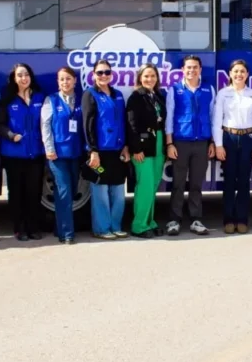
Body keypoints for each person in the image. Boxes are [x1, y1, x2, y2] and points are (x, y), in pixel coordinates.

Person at [0, 63, 47, 241]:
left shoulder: (40, 97)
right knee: (16, 194)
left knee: (34, 193)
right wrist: (11, 135)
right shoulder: (7, 100)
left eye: (26, 74)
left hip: (36, 154)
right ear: (14, 79)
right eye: (19, 75)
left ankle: (33, 227)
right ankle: (19, 228)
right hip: (14, 154)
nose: (23, 78)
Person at [164, 55, 215, 236]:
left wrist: (213, 142)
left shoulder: (209, 89)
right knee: (178, 183)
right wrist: (169, 143)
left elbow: (213, 117)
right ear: (183, 70)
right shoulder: (175, 90)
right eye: (188, 67)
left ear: (200, 69)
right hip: (180, 143)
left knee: (196, 184)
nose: (192, 70)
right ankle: (174, 220)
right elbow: (169, 118)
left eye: (195, 67)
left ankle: (196, 219)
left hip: (202, 143)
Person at [213, 59, 252, 234]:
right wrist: (218, 145)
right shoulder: (223, 94)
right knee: (229, 181)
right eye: (235, 71)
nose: (239, 74)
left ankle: (242, 219)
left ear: (247, 74)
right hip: (229, 138)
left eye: (242, 71)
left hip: (249, 138)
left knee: (243, 182)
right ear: (230, 74)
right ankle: (228, 219)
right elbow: (217, 121)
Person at [82, 59, 130, 240]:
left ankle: (116, 226)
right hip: (99, 153)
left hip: (117, 152)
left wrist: (125, 146)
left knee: (118, 192)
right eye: (100, 72)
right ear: (93, 75)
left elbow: (124, 123)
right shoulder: (90, 94)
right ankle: (102, 229)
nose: (104, 76)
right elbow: (88, 124)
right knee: (100, 192)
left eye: (107, 72)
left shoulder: (117, 95)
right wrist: (92, 150)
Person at [41, 67, 83, 244]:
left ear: (75, 80)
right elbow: (45, 126)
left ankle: (59, 228)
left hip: (76, 153)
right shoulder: (51, 100)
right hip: (57, 154)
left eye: (68, 79)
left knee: (71, 190)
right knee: (64, 190)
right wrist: (49, 148)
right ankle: (67, 233)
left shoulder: (82, 99)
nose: (65, 82)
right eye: (61, 80)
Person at [125, 64, 167, 238]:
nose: (150, 79)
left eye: (153, 76)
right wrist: (136, 149)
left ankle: (150, 222)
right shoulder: (135, 97)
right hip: (143, 146)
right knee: (145, 185)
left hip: (158, 143)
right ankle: (139, 225)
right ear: (140, 78)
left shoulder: (157, 96)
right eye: (146, 76)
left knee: (154, 185)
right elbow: (131, 125)